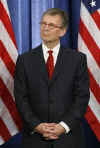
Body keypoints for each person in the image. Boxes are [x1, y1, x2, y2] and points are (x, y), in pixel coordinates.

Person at [14, 8, 90, 148]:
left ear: (62, 31)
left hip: (69, 140)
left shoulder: (77, 60)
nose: (45, 29)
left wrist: (63, 126)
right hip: (35, 140)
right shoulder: (24, 60)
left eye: (51, 25)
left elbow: (82, 97)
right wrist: (36, 125)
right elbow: (20, 97)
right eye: (43, 24)